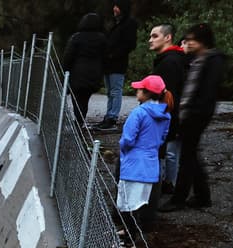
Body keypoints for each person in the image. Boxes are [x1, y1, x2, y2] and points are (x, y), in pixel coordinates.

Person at [160, 23, 227, 211]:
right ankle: (202, 195)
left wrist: (194, 112)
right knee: (191, 153)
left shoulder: (213, 61)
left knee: (187, 156)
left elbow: (207, 91)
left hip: (197, 114)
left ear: (201, 42)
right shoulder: (196, 58)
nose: (187, 43)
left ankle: (179, 198)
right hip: (188, 111)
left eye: (191, 40)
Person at [116, 75, 171, 244]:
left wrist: (124, 150)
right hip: (151, 164)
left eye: (139, 89)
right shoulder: (165, 115)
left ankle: (129, 240)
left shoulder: (139, 112)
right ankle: (130, 234)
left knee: (127, 203)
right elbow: (162, 138)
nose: (136, 91)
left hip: (133, 164)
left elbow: (128, 139)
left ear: (147, 94)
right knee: (139, 202)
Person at [148, 23, 186, 192]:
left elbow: (168, 94)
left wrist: (158, 114)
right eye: (150, 36)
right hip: (169, 115)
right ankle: (167, 182)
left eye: (155, 36)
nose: (150, 40)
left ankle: (166, 184)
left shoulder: (170, 62)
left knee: (167, 151)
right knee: (168, 151)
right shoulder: (168, 59)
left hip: (168, 115)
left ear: (168, 37)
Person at [94, 1, 138, 130]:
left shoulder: (129, 24)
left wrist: (114, 55)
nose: (114, 9)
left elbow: (130, 44)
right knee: (110, 92)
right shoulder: (116, 24)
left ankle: (112, 117)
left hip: (117, 63)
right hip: (109, 63)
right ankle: (108, 115)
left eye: (117, 6)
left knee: (115, 91)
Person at [64, 13, 107, 126]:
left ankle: (78, 121)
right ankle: (80, 121)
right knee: (85, 98)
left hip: (78, 73)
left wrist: (65, 69)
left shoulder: (76, 37)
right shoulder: (101, 38)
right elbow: (105, 55)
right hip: (94, 73)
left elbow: (68, 56)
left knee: (76, 98)